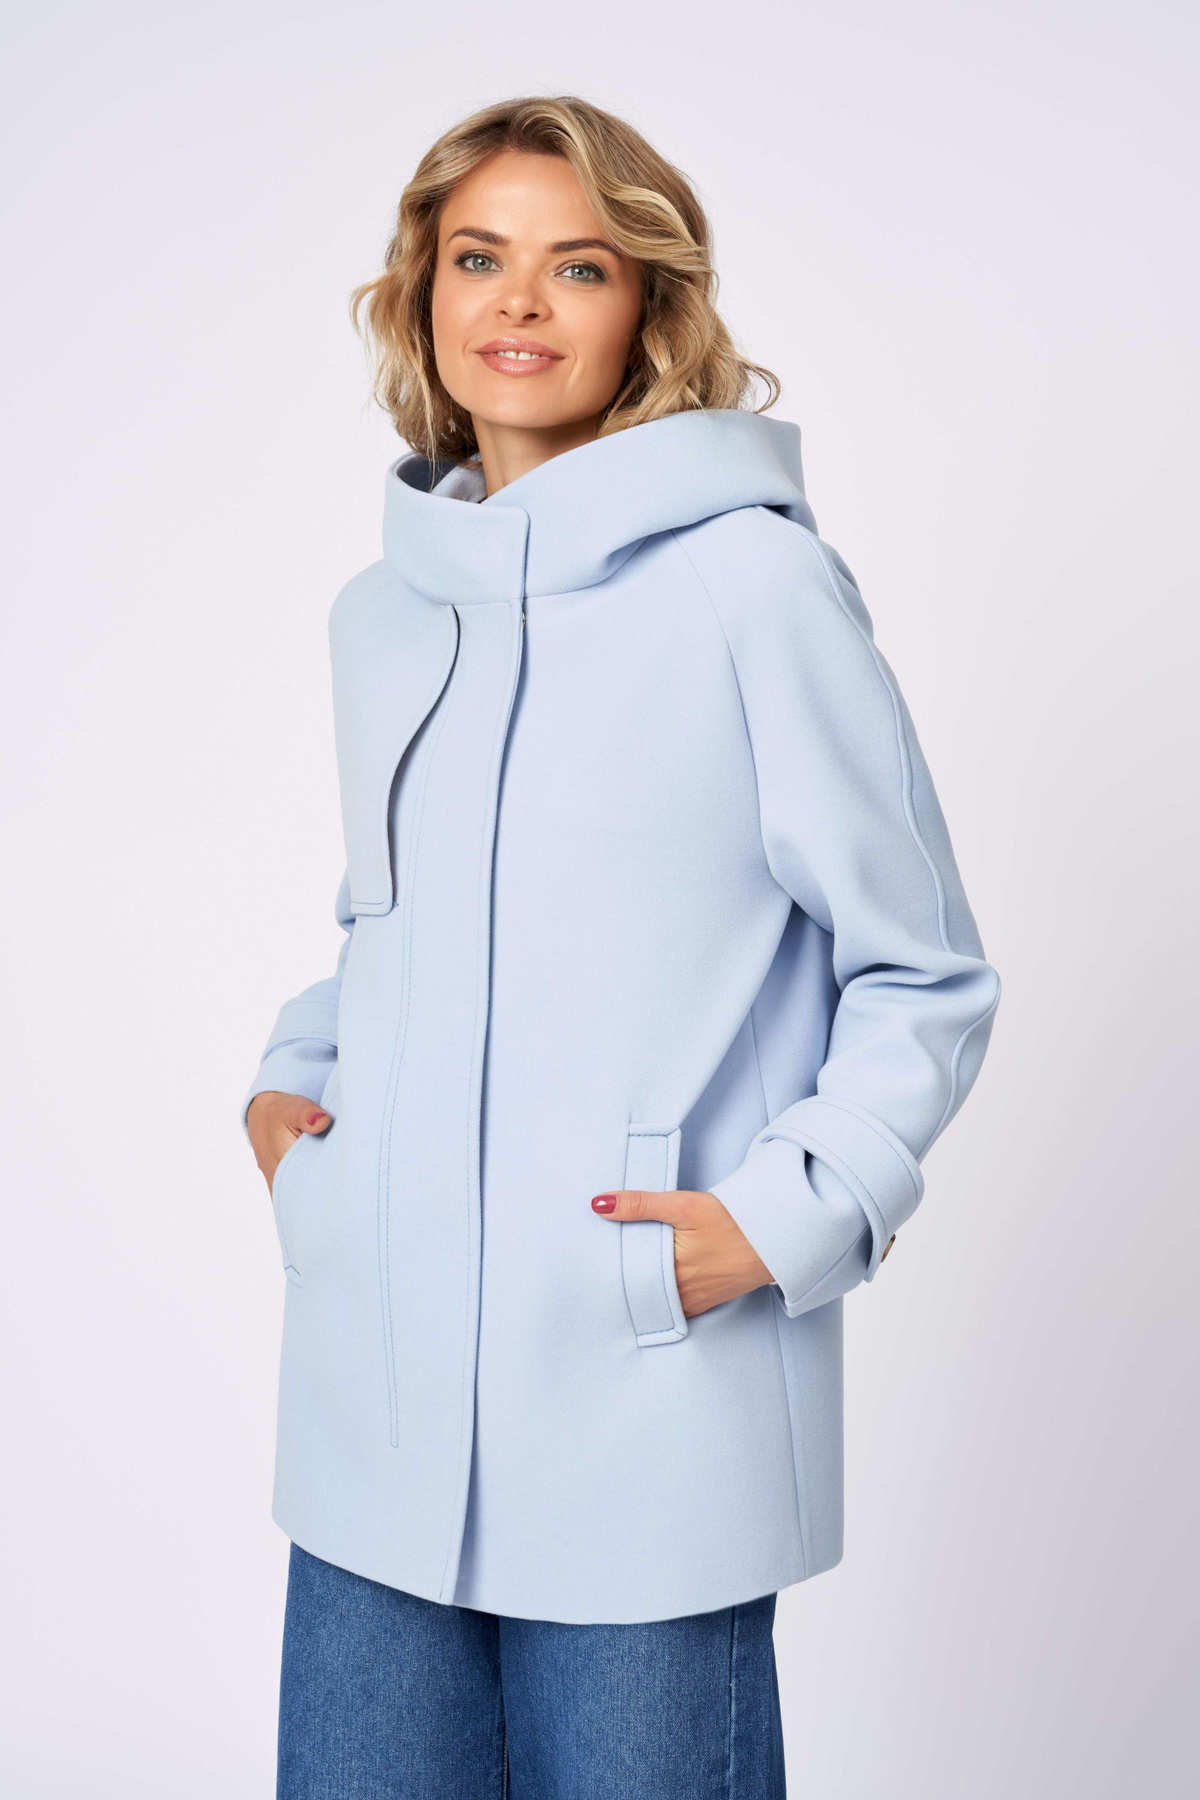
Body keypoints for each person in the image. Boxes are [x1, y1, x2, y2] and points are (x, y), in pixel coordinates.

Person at [244, 95, 1000, 1800]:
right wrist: (296, 1102)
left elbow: (925, 966)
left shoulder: (754, 590)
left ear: (648, 307)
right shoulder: (384, 615)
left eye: (577, 266)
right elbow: (391, 920)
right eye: (478, 259)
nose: (520, 302)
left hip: (643, 1412)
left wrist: (788, 1217)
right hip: (374, 1412)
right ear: (422, 297)